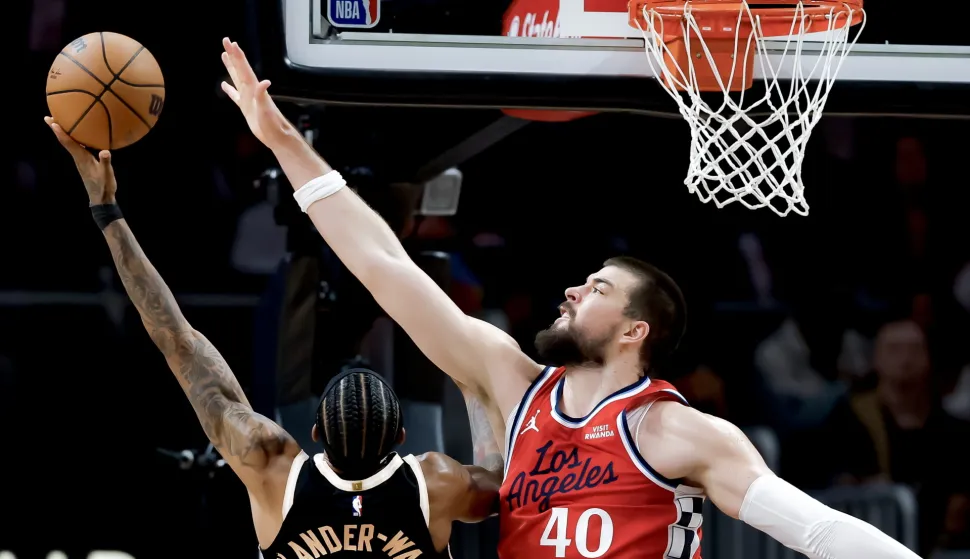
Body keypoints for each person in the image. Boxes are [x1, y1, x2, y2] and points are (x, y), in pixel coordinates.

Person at [219, 38, 922, 559]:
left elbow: (818, 529)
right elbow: (384, 266)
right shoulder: (510, 382)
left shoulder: (675, 432)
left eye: (597, 289)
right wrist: (284, 141)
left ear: (634, 330)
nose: (571, 290)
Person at [44, 116, 501, 559]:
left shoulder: (270, 469)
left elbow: (176, 339)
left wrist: (107, 211)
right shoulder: (438, 484)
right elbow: (507, 481)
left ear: (316, 432)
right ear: (402, 437)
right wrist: (476, 385)